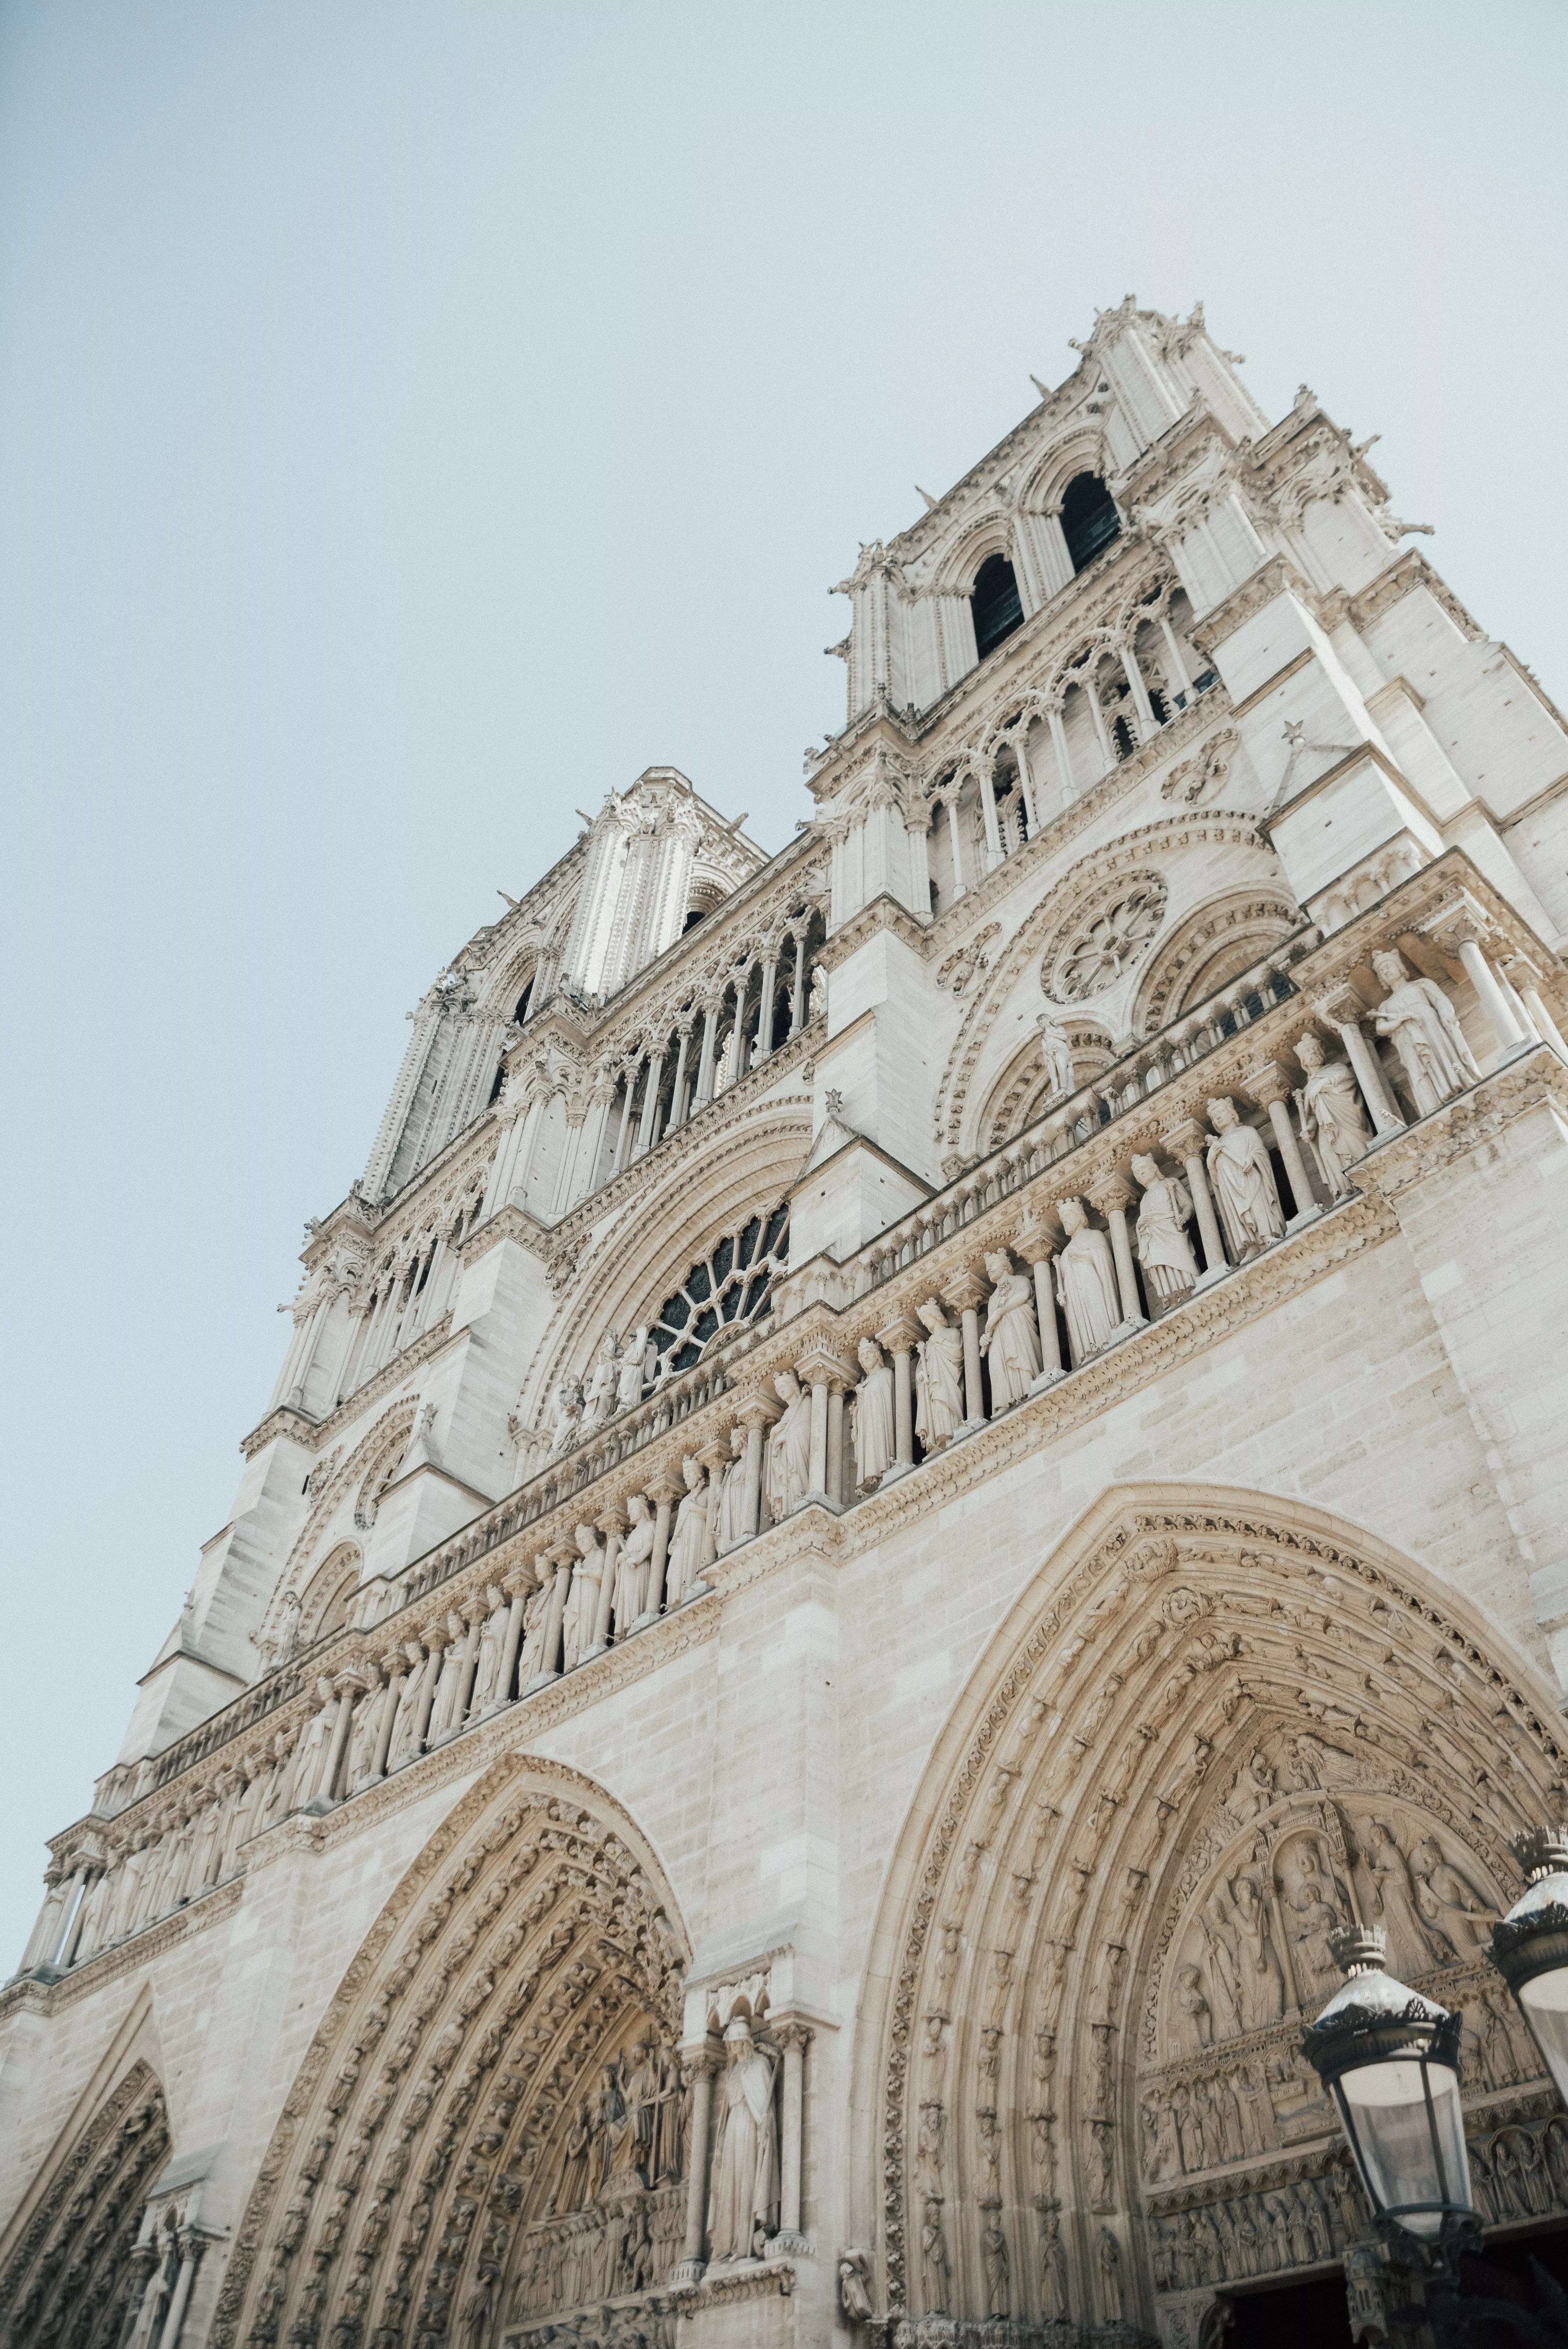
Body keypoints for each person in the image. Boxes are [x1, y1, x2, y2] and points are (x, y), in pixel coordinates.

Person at [1371, 948, 1481, 1116]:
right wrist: (1398, 1021)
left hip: (1431, 1028)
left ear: (1399, 966)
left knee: (1442, 1055)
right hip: (1408, 1040)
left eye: (1388, 966)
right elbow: (1381, 1028)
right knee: (1421, 1068)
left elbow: (1440, 1001)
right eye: (1381, 971)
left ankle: (1458, 1082)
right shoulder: (1385, 1006)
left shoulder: (1421, 984)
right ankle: (1434, 1100)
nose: (1386, 971)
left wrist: (1446, 1015)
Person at [706, 2016, 777, 2261]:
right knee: (730, 2185)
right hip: (733, 2129)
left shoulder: (760, 2065)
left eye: (736, 2043)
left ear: (745, 2042)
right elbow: (725, 2112)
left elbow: (765, 2106)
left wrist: (765, 2127)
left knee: (747, 2182)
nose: (732, 2047)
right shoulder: (734, 2071)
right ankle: (729, 2243)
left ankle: (744, 2245)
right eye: (731, 2044)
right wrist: (719, 2143)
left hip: (749, 2125)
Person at [1205, 1098, 1285, 1260]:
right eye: (1214, 1116)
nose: (1218, 1117)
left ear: (1232, 1114)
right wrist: (1211, 1160)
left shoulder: (1247, 1132)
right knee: (1239, 1214)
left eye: (1220, 1112)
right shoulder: (1217, 1145)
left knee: (1257, 1204)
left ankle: (1267, 1235)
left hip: (1249, 1178)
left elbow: (1260, 1152)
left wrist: (1252, 1158)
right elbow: (1216, 1180)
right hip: (1231, 1188)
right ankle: (1251, 1245)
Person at [1293, 1032, 1372, 1197]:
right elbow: (1313, 1115)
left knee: (1352, 1144)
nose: (1313, 1053)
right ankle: (1346, 1190)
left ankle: (1369, 1177)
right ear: (1303, 1061)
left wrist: (1322, 1084)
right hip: (1326, 1128)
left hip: (1345, 1120)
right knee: (1329, 1154)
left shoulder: (1337, 1069)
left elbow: (1347, 1078)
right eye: (1308, 1052)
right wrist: (1310, 1128)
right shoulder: (1308, 1089)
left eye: (1315, 1049)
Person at [1054, 1199, 1119, 1362]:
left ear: (1080, 1217)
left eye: (1068, 1216)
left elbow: (1105, 1259)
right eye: (1063, 1219)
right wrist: (1062, 1294)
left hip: (1092, 1283)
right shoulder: (1066, 1252)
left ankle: (1106, 1340)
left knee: (1096, 1308)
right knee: (1080, 1319)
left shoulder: (1094, 1236)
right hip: (1075, 1294)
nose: (1065, 1221)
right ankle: (1089, 1351)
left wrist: (1083, 1255)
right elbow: (1064, 1278)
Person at [1131, 1153, 1198, 1306]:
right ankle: (1172, 1297)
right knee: (1160, 1265)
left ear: (1154, 1168)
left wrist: (1184, 1216)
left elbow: (1187, 1205)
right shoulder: (1144, 1200)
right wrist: (1139, 1224)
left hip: (1171, 1229)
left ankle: (1189, 1287)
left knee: (1181, 1259)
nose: (1141, 1173)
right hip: (1153, 1236)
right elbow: (1143, 1224)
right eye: (1137, 1172)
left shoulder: (1170, 1183)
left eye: (1143, 1168)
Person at [979, 1249, 1042, 1408]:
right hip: (999, 1339)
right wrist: (986, 1337)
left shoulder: (1020, 1280)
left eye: (992, 1265)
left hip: (1017, 1329)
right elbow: (991, 1324)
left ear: (1005, 1265)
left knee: (1020, 1356)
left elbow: (1024, 1294)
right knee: (998, 1366)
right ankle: (1006, 1403)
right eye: (987, 1268)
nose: (989, 1269)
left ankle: (1027, 1390)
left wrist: (1000, 1312)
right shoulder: (993, 1297)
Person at [914, 1299, 965, 1451]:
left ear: (936, 1316)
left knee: (946, 1404)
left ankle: (952, 1434)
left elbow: (958, 1353)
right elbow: (924, 1366)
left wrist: (940, 1341)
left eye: (926, 1318)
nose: (925, 1323)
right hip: (934, 1384)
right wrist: (921, 1374)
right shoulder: (929, 1344)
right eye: (923, 1321)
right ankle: (940, 1441)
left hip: (948, 1380)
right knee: (937, 1407)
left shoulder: (953, 1333)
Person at [764, 1370, 812, 1520]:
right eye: (778, 1390)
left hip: (798, 1451)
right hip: (786, 1456)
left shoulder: (806, 1402)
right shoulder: (786, 1414)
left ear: (793, 1386)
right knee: (790, 1479)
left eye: (783, 1387)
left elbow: (807, 1429)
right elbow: (778, 1440)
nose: (781, 1392)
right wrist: (774, 1435)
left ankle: (802, 1498)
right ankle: (791, 1506)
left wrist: (788, 1436)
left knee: (797, 1475)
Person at [852, 1337, 895, 1487]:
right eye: (862, 1355)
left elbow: (887, 1402)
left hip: (881, 1423)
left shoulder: (886, 1374)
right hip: (868, 1427)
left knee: (879, 1440)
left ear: (878, 1356)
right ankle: (871, 1477)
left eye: (869, 1353)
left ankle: (885, 1468)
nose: (866, 1357)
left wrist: (865, 1393)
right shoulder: (864, 1384)